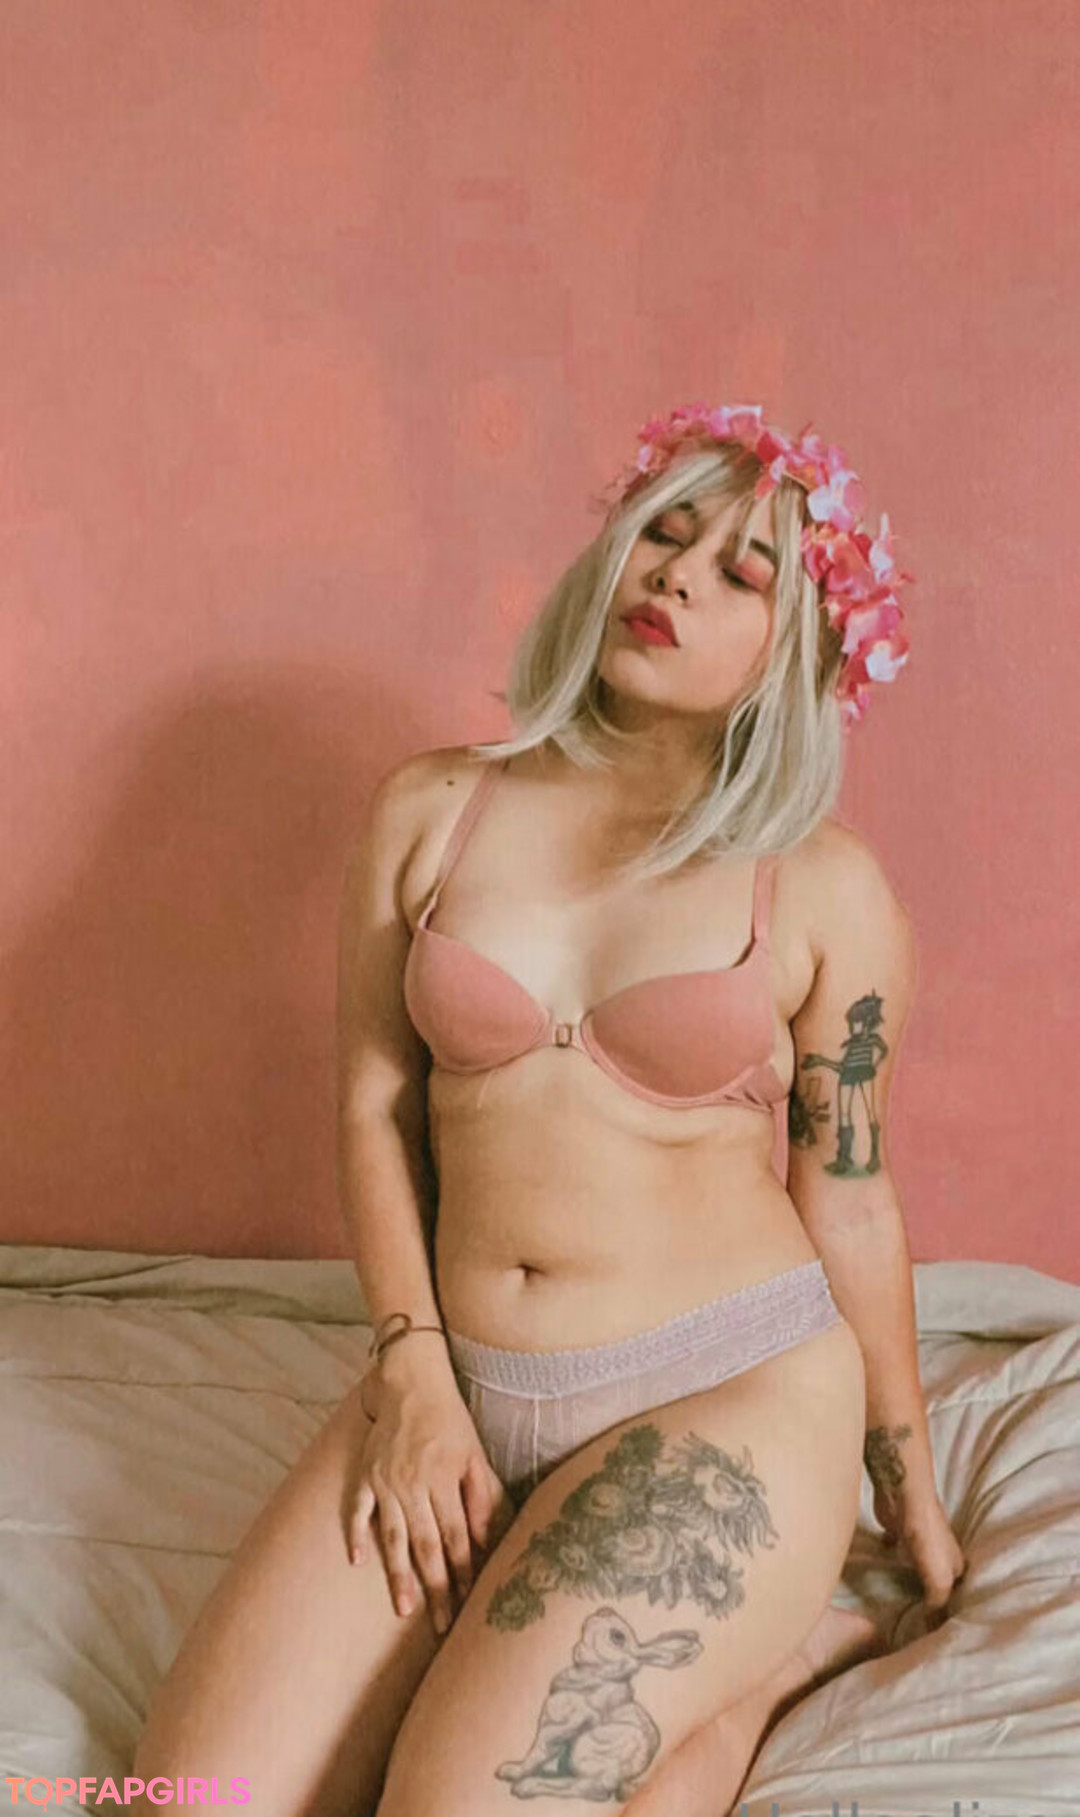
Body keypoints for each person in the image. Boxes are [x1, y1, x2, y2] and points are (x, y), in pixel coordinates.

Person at [131, 403, 966, 1817]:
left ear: (804, 654)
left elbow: (852, 1195)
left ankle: (769, 1662)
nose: (678, 574)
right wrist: (412, 1375)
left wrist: (908, 1485)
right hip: (461, 1380)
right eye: (663, 533)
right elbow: (376, 1106)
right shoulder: (433, 809)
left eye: (741, 572)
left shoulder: (823, 888)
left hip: (723, 1394)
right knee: (178, 1803)